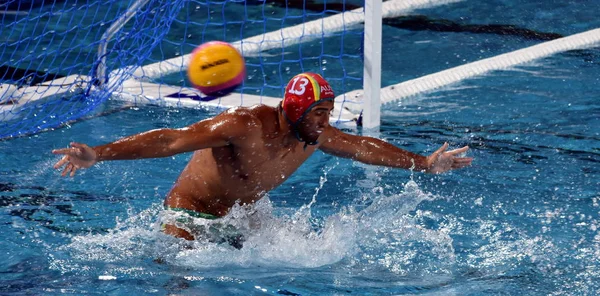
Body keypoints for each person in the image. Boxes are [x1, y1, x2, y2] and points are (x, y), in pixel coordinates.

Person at [52, 72, 473, 245]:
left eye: (328, 112)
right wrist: (99, 154)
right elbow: (170, 141)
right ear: (294, 110)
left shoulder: (316, 133)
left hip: (245, 216)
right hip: (191, 216)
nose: (327, 121)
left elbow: (365, 148)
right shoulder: (245, 124)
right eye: (319, 113)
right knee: (180, 282)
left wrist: (424, 162)